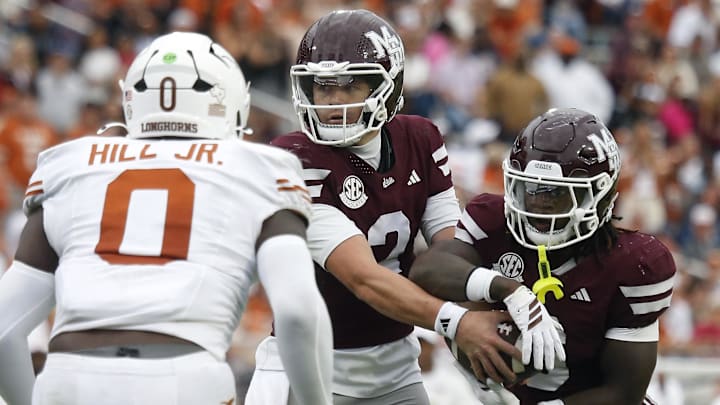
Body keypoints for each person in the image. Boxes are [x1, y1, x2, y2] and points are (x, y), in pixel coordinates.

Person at [245, 9, 563, 405]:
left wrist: (498, 315)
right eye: (322, 88)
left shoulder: (420, 137)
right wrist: (459, 323)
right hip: (310, 365)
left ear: (390, 86)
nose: (333, 102)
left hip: (396, 364)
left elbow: (451, 254)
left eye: (349, 87)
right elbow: (365, 279)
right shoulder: (293, 158)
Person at [0, 32, 333, 405]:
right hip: (182, 377)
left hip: (67, 376)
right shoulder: (261, 167)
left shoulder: (72, 164)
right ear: (229, 103)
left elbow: (3, 331)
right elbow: (299, 313)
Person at [410, 108, 676, 404]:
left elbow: (624, 392)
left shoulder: (634, 264)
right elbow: (427, 269)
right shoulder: (493, 222)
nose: (539, 203)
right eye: (531, 189)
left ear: (600, 196)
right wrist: (507, 290)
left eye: (557, 193)